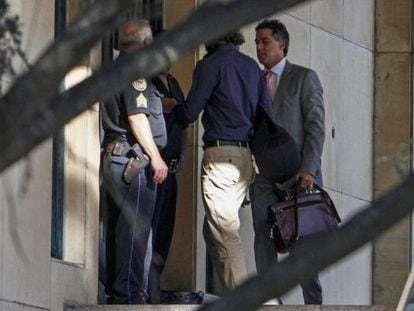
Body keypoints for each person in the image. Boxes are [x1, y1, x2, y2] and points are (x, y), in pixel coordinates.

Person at [166, 31, 272, 294]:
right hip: (246, 159)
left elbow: (190, 112)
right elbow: (267, 118)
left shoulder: (210, 64)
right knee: (213, 233)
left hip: (221, 156)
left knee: (224, 233)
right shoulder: (252, 67)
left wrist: (170, 105)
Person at [251, 19, 325, 304]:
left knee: (303, 245)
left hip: (298, 176)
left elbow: (316, 126)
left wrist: (309, 169)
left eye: (265, 41)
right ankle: (269, 299)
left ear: (282, 44)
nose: (259, 47)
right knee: (262, 234)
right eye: (257, 42)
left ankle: (312, 303)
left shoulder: (304, 77)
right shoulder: (254, 80)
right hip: (264, 177)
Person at [101, 20, 168, 304]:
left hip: (117, 158)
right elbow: (137, 117)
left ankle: (118, 293)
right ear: (144, 44)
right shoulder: (135, 72)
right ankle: (127, 296)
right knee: (134, 231)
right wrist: (156, 158)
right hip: (134, 160)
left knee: (119, 231)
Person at [148, 57, 187, 303]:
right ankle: (143, 285)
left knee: (165, 229)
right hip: (154, 165)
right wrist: (163, 104)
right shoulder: (146, 80)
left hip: (171, 166)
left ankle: (155, 284)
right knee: (148, 225)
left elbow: (184, 122)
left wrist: (183, 153)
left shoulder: (173, 82)